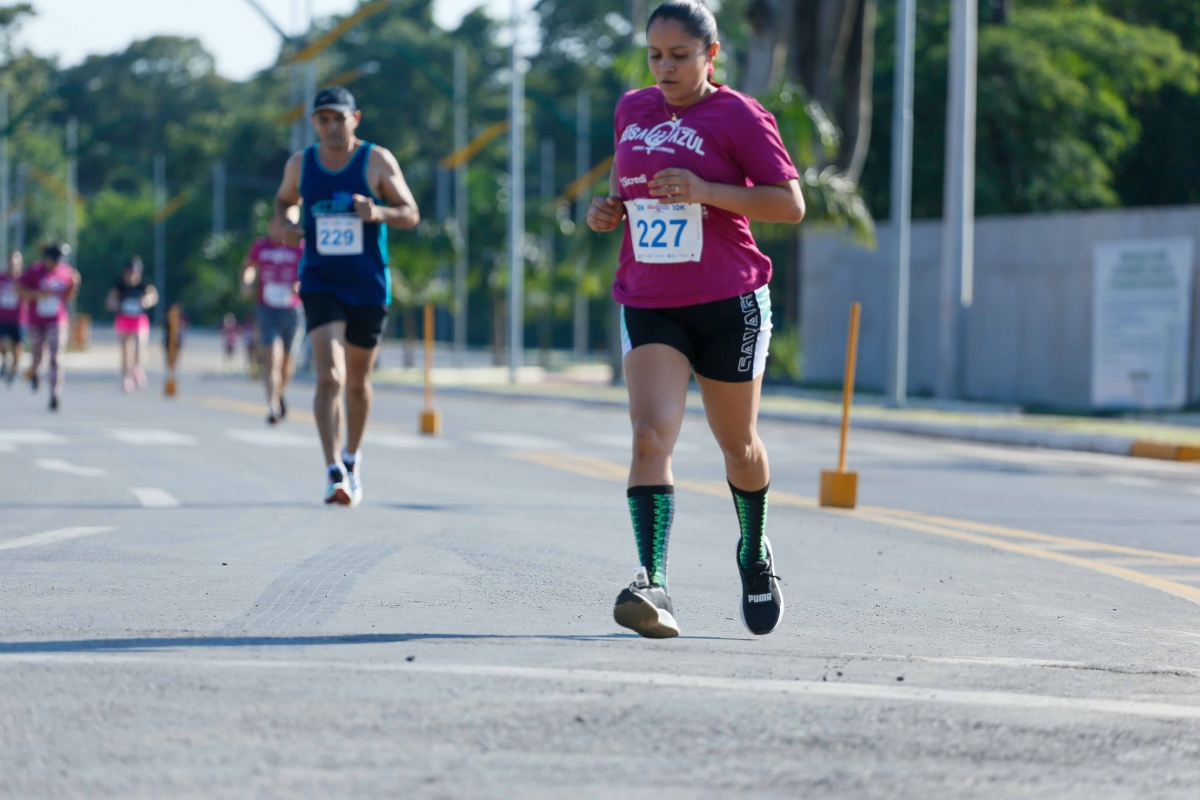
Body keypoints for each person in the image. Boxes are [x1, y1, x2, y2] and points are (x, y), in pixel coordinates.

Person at [586, 0, 805, 639]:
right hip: (651, 296)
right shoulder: (632, 109)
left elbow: (789, 204)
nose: (665, 68)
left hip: (728, 300)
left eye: (680, 56)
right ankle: (652, 582)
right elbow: (628, 181)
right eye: (655, 55)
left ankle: (754, 551)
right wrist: (610, 209)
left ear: (711, 55)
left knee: (738, 445)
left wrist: (707, 191)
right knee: (649, 437)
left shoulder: (739, 115)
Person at [272, 86, 419, 506]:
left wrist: (378, 212)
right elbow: (282, 204)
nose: (332, 126)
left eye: (340, 118)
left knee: (357, 382)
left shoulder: (376, 160)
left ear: (355, 119)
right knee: (330, 376)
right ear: (314, 123)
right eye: (324, 119)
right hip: (320, 280)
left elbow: (410, 213)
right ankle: (332, 469)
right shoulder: (301, 164)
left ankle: (352, 458)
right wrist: (288, 223)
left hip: (368, 284)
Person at [242, 230, 304, 424]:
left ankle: (279, 392)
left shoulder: (302, 247)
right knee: (271, 357)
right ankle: (272, 406)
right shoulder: (261, 246)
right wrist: (247, 282)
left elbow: (312, 271)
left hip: (292, 309)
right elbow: (249, 266)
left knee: (287, 362)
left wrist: (300, 284)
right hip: (266, 308)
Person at [18, 244, 81, 411]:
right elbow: (19, 290)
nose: (57, 264)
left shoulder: (66, 272)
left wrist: (74, 285)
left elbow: (68, 296)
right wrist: (38, 294)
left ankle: (55, 393)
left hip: (57, 320)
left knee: (55, 356)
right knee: (37, 355)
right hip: (36, 321)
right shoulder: (35, 271)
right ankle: (34, 372)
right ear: (47, 259)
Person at [105, 256, 158, 392]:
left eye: (134, 273)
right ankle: (126, 377)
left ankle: (137, 368)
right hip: (124, 319)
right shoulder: (120, 286)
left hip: (139, 320)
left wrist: (146, 300)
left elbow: (153, 296)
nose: (131, 276)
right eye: (129, 272)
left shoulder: (144, 285)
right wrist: (117, 305)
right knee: (126, 350)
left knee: (140, 347)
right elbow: (110, 301)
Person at [0, 251, 25, 386]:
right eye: (10, 262)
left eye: (15, 263)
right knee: (2, 343)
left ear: (20, 264)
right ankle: (5, 360)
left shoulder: (23, 279)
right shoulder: (1, 278)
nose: (12, 265)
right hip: (2, 317)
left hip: (19, 318)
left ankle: (14, 370)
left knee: (17, 346)